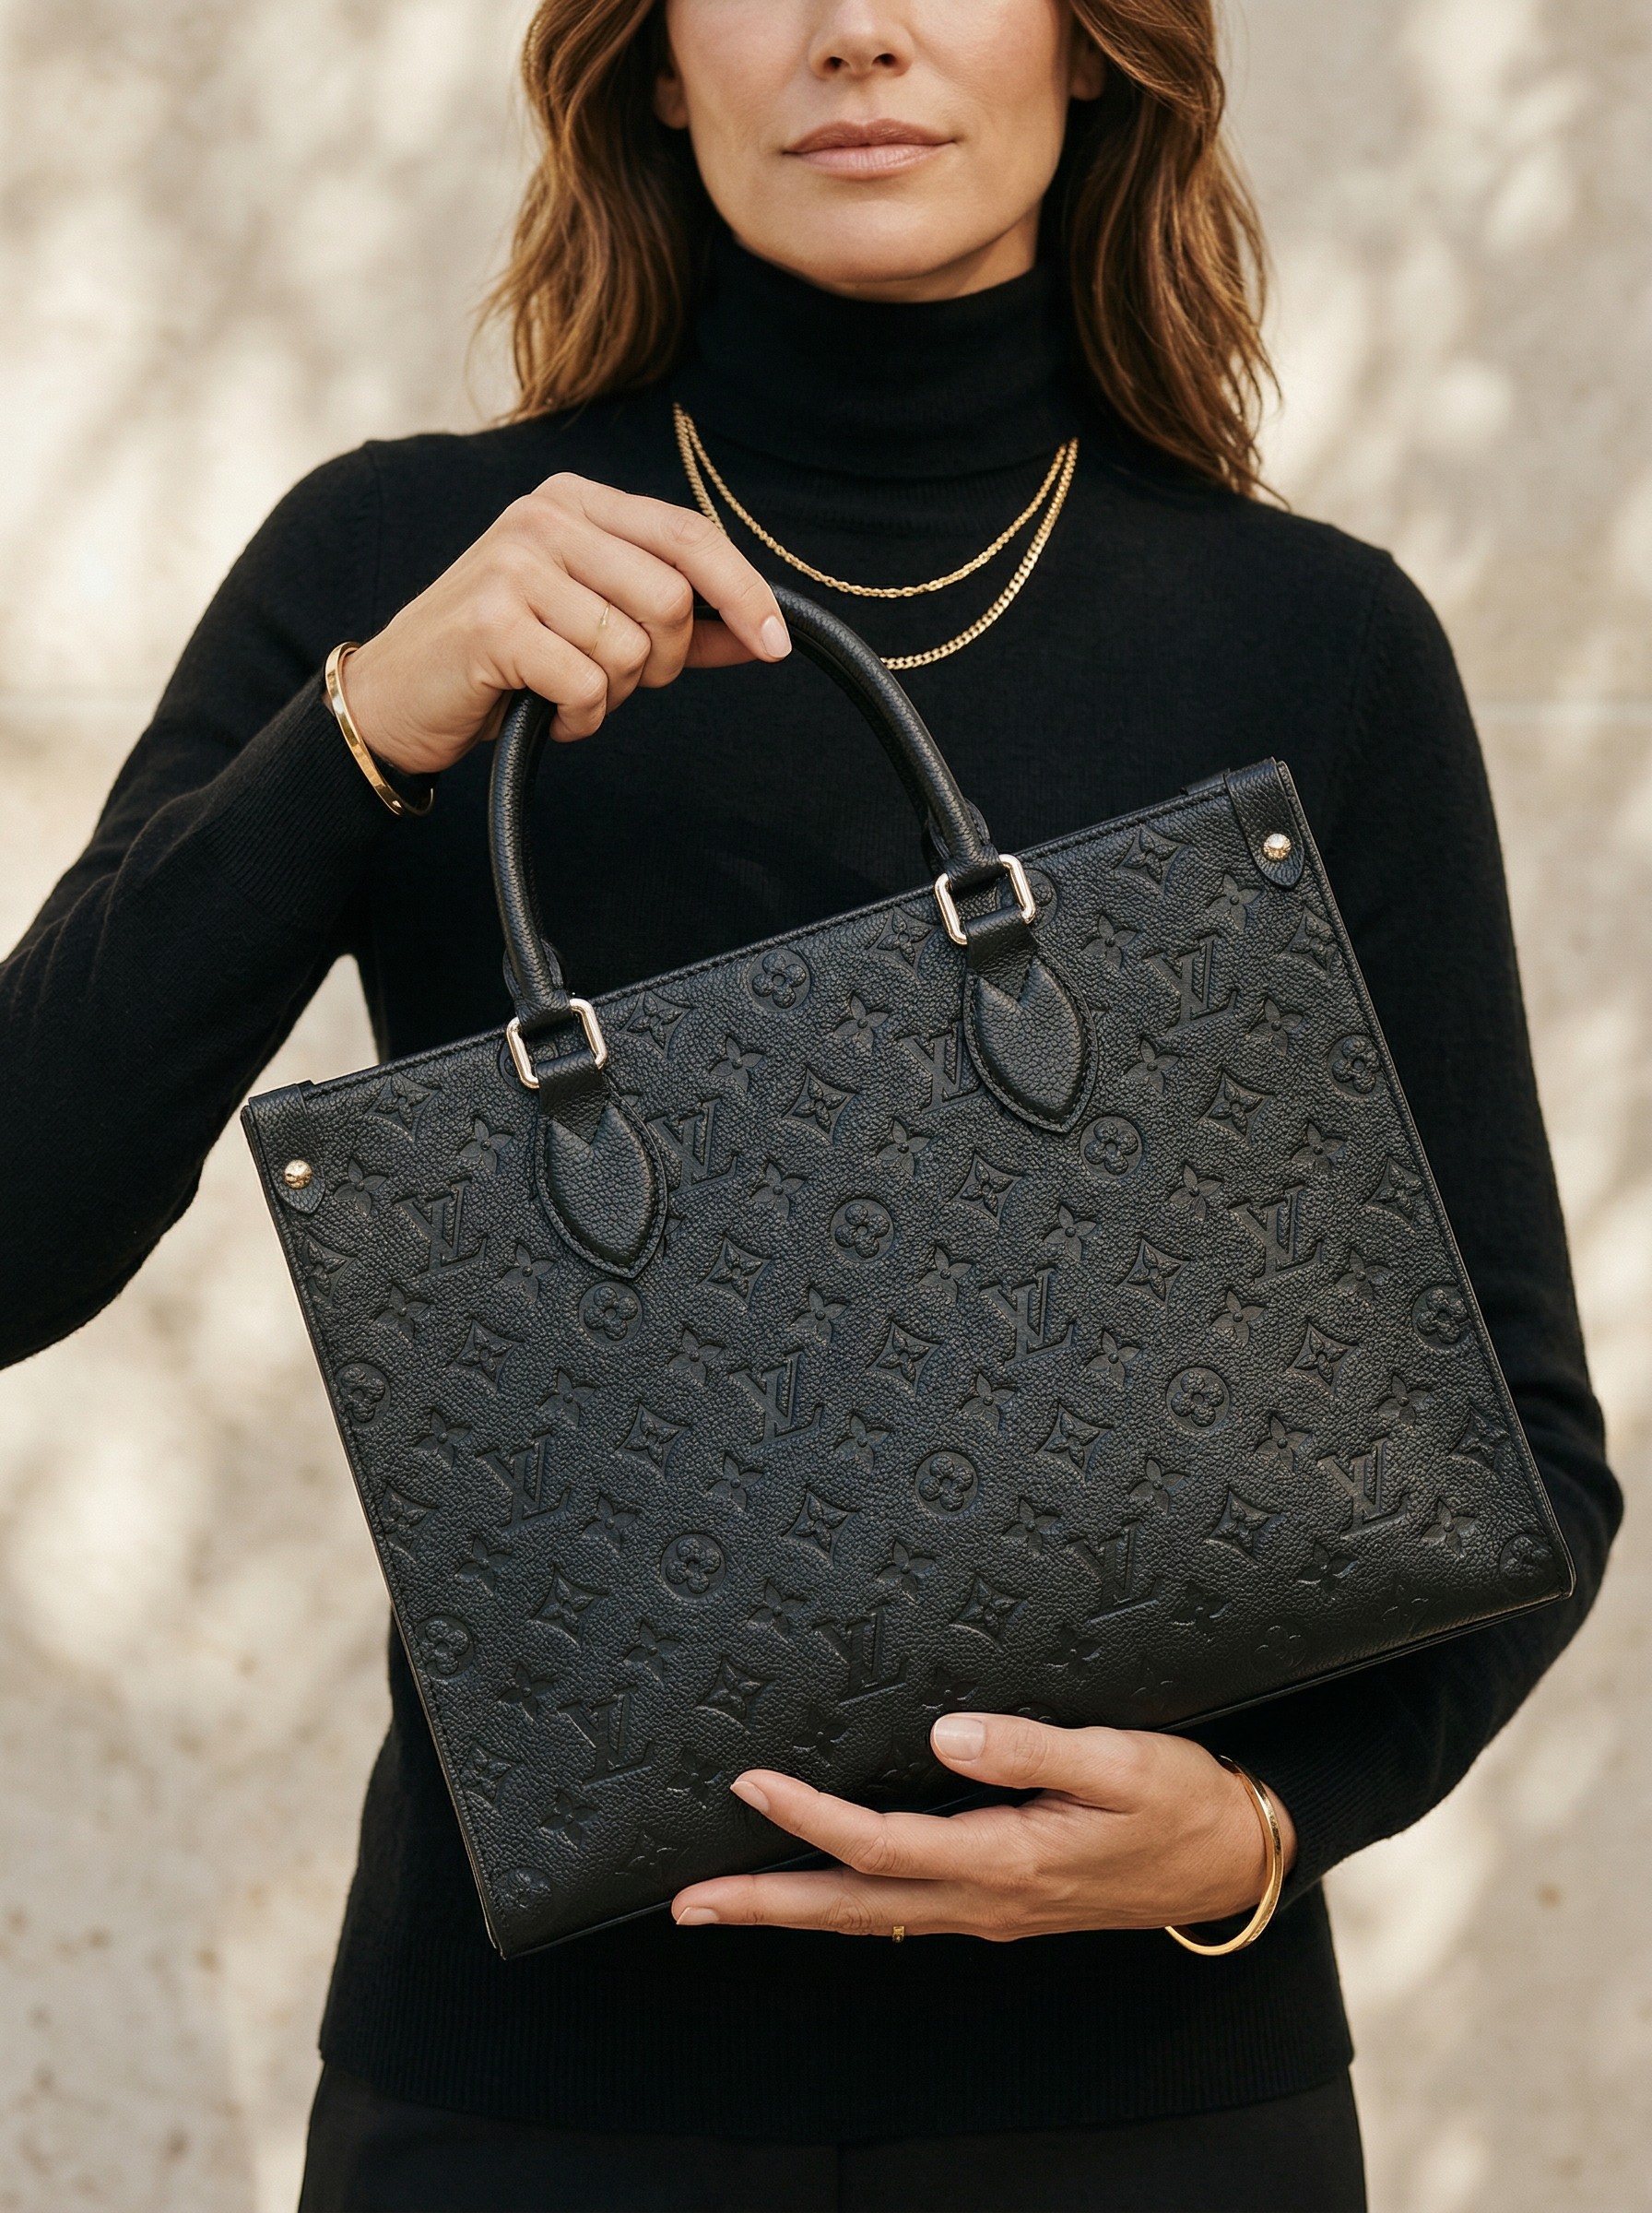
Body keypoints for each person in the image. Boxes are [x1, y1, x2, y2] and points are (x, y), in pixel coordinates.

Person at [0, 3, 1619, 2207]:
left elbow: (1515, 1443)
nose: (856, 31)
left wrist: (1259, 1828)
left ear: (1091, 46)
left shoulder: (1308, 641)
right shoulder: (410, 566)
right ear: (656, 59)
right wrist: (366, 727)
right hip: (526, 2114)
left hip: (1151, 2107)